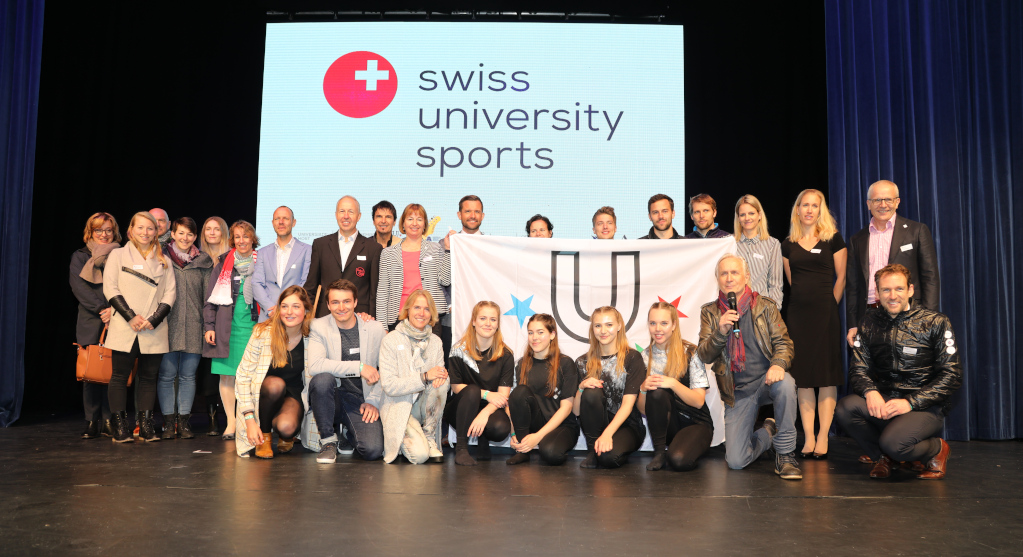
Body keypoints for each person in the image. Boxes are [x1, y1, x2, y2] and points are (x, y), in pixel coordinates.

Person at [835, 264, 960, 479]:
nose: (892, 296)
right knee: (846, 408)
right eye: (886, 290)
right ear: (877, 292)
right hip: (887, 401)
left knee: (894, 444)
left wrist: (910, 402)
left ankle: (936, 449)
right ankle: (883, 457)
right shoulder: (868, 322)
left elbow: (952, 375)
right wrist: (870, 392)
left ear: (910, 290)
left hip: (924, 406)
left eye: (899, 289)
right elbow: (858, 368)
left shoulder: (936, 322)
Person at [698, 254, 801, 480]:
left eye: (734, 272)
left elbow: (784, 344)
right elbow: (704, 355)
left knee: (786, 383)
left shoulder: (765, 306)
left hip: (767, 381)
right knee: (736, 461)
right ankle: (768, 433)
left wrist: (778, 364)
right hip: (738, 392)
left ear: (746, 276)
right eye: (724, 273)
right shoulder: (710, 312)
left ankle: (785, 455)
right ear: (717, 279)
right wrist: (720, 332)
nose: (729, 278)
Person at [781, 189, 847, 459]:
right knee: (803, 377)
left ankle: (823, 436)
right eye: (804, 205)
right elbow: (792, 282)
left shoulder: (833, 239)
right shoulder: (787, 244)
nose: (809, 210)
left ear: (821, 210)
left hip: (826, 314)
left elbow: (841, 278)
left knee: (826, 376)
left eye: (814, 205)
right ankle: (808, 436)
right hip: (797, 316)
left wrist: (829, 306)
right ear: (797, 210)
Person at [103, 211, 177, 443]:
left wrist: (154, 319)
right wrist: (130, 316)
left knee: (148, 378)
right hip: (126, 325)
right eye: (140, 228)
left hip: (153, 327)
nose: (145, 232)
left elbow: (170, 294)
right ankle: (120, 426)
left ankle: (145, 426)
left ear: (156, 232)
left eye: (150, 228)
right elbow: (110, 287)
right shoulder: (117, 255)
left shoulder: (164, 260)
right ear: (131, 230)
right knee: (119, 376)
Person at [846, 180, 940, 348]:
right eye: (877, 200)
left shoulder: (917, 231)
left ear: (897, 202)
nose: (883, 205)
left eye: (888, 199)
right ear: (868, 204)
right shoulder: (857, 239)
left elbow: (930, 277)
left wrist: (928, 318)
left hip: (909, 313)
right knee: (872, 364)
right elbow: (853, 286)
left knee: (909, 362)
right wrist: (853, 324)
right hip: (870, 316)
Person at [302, 279, 386, 463]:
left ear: (355, 302)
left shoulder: (375, 328)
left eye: (346, 301)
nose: (341, 307)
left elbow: (387, 370)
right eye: (335, 302)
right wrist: (359, 367)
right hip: (332, 396)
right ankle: (328, 441)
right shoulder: (319, 326)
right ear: (328, 305)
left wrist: (374, 400)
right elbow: (315, 365)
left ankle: (347, 432)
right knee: (321, 380)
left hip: (361, 399)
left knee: (372, 450)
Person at [235, 286, 314, 458]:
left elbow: (336, 322)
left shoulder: (313, 335)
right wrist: (249, 419)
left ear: (306, 310)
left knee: (287, 427)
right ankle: (264, 436)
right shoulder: (262, 332)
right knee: (275, 384)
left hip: (292, 394)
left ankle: (285, 434)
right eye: (284, 306)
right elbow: (242, 377)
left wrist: (363, 317)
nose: (289, 312)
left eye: (296, 306)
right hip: (265, 393)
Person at [638, 302, 714, 471]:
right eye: (653, 323)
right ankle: (659, 453)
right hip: (668, 427)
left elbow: (698, 402)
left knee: (679, 460)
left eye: (664, 323)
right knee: (657, 392)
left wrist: (673, 383)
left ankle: (688, 448)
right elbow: (644, 410)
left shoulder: (691, 352)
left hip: (696, 424)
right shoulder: (644, 357)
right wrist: (643, 389)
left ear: (673, 325)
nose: (658, 329)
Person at [377, 289, 449, 464]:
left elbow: (438, 379)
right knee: (420, 456)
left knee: (443, 381)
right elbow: (389, 386)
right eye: (417, 307)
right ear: (407, 309)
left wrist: (441, 375)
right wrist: (424, 376)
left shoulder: (436, 342)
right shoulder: (391, 340)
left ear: (431, 313)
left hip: (423, 406)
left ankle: (429, 437)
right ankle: (405, 436)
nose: (421, 313)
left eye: (427, 309)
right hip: (398, 405)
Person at [203, 220, 260, 441]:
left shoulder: (263, 262)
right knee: (227, 376)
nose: (242, 240)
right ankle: (231, 422)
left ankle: (247, 421)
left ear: (253, 239)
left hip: (254, 329)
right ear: (232, 240)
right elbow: (210, 300)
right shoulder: (222, 265)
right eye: (237, 237)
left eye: (246, 236)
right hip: (226, 328)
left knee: (250, 379)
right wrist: (209, 327)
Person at [158, 217, 214, 439]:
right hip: (166, 325)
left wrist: (208, 326)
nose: (185, 238)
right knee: (166, 375)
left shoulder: (204, 261)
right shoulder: (160, 257)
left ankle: (183, 423)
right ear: (172, 234)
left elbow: (208, 298)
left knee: (188, 376)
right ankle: (168, 423)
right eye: (181, 233)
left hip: (194, 325)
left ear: (195, 237)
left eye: (190, 234)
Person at [573, 306, 646, 468]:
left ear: (619, 326)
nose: (603, 331)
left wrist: (607, 434)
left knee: (608, 459)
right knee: (591, 392)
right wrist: (581, 388)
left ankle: (610, 448)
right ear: (592, 328)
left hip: (627, 426)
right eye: (598, 325)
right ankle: (592, 451)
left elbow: (628, 405)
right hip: (596, 429)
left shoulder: (632, 358)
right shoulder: (582, 362)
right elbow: (576, 412)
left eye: (609, 325)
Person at [70, 212, 121, 439]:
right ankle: (91, 421)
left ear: (114, 232)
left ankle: (109, 421)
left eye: (108, 230)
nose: (104, 234)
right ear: (90, 232)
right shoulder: (80, 256)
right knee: (90, 373)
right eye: (98, 230)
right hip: (91, 319)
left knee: (112, 371)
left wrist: (114, 310)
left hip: (117, 317)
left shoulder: (121, 255)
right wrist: (102, 309)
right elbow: (78, 287)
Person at [446, 301, 514, 466]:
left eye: (493, 319)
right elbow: (456, 386)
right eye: (483, 318)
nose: (488, 323)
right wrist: (487, 394)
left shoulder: (506, 354)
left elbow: (503, 396)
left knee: (500, 428)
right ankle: (462, 448)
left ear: (497, 324)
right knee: (472, 391)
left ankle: (483, 438)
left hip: (490, 407)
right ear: (474, 321)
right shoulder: (458, 349)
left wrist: (484, 414)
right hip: (461, 407)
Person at [506, 313, 580, 466]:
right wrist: (514, 433)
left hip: (562, 426)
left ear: (552, 334)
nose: (535, 337)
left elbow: (567, 408)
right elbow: (513, 403)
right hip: (535, 423)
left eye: (540, 332)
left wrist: (538, 436)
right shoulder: (521, 364)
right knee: (520, 392)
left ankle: (547, 443)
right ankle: (522, 451)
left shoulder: (566, 363)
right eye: (531, 332)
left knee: (551, 453)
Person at [377, 204, 451, 332]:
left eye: (419, 219)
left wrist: (448, 250)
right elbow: (383, 291)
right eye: (410, 219)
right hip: (399, 317)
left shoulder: (436, 248)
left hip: (430, 318)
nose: (414, 223)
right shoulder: (388, 253)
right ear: (403, 223)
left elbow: (445, 280)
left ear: (425, 224)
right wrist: (382, 326)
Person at [306, 196, 382, 319]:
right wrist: (306, 317)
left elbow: (374, 291)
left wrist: (372, 317)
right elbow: (311, 286)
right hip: (325, 316)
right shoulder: (320, 245)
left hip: (359, 317)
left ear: (359, 216)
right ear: (336, 215)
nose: (346, 216)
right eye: (342, 211)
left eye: (351, 212)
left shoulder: (373, 248)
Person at [439, 195, 486, 356]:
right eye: (467, 211)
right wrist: (450, 304)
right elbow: (440, 281)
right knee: (451, 366)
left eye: (477, 212)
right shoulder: (445, 243)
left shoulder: (492, 246)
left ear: (482, 216)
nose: (472, 216)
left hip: (483, 321)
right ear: (459, 215)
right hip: (452, 320)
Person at [253, 206, 312, 323]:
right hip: (268, 317)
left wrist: (287, 307)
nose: (281, 222)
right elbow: (256, 283)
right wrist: (271, 308)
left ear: (293, 222)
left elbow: (306, 282)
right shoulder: (263, 252)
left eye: (285, 218)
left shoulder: (307, 250)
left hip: (295, 316)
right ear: (273, 223)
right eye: (277, 219)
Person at [199, 215, 230, 434]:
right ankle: (211, 419)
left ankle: (229, 418)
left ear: (224, 233)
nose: (212, 232)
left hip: (225, 322)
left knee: (224, 372)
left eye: (216, 229)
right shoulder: (196, 258)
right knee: (208, 373)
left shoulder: (232, 258)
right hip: (203, 319)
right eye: (208, 229)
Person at [733, 194, 783, 307]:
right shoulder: (730, 243)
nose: (747, 218)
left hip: (762, 310)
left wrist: (773, 311)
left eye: (751, 213)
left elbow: (775, 284)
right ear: (738, 218)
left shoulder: (772, 244)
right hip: (735, 309)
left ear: (759, 215)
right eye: (742, 214)